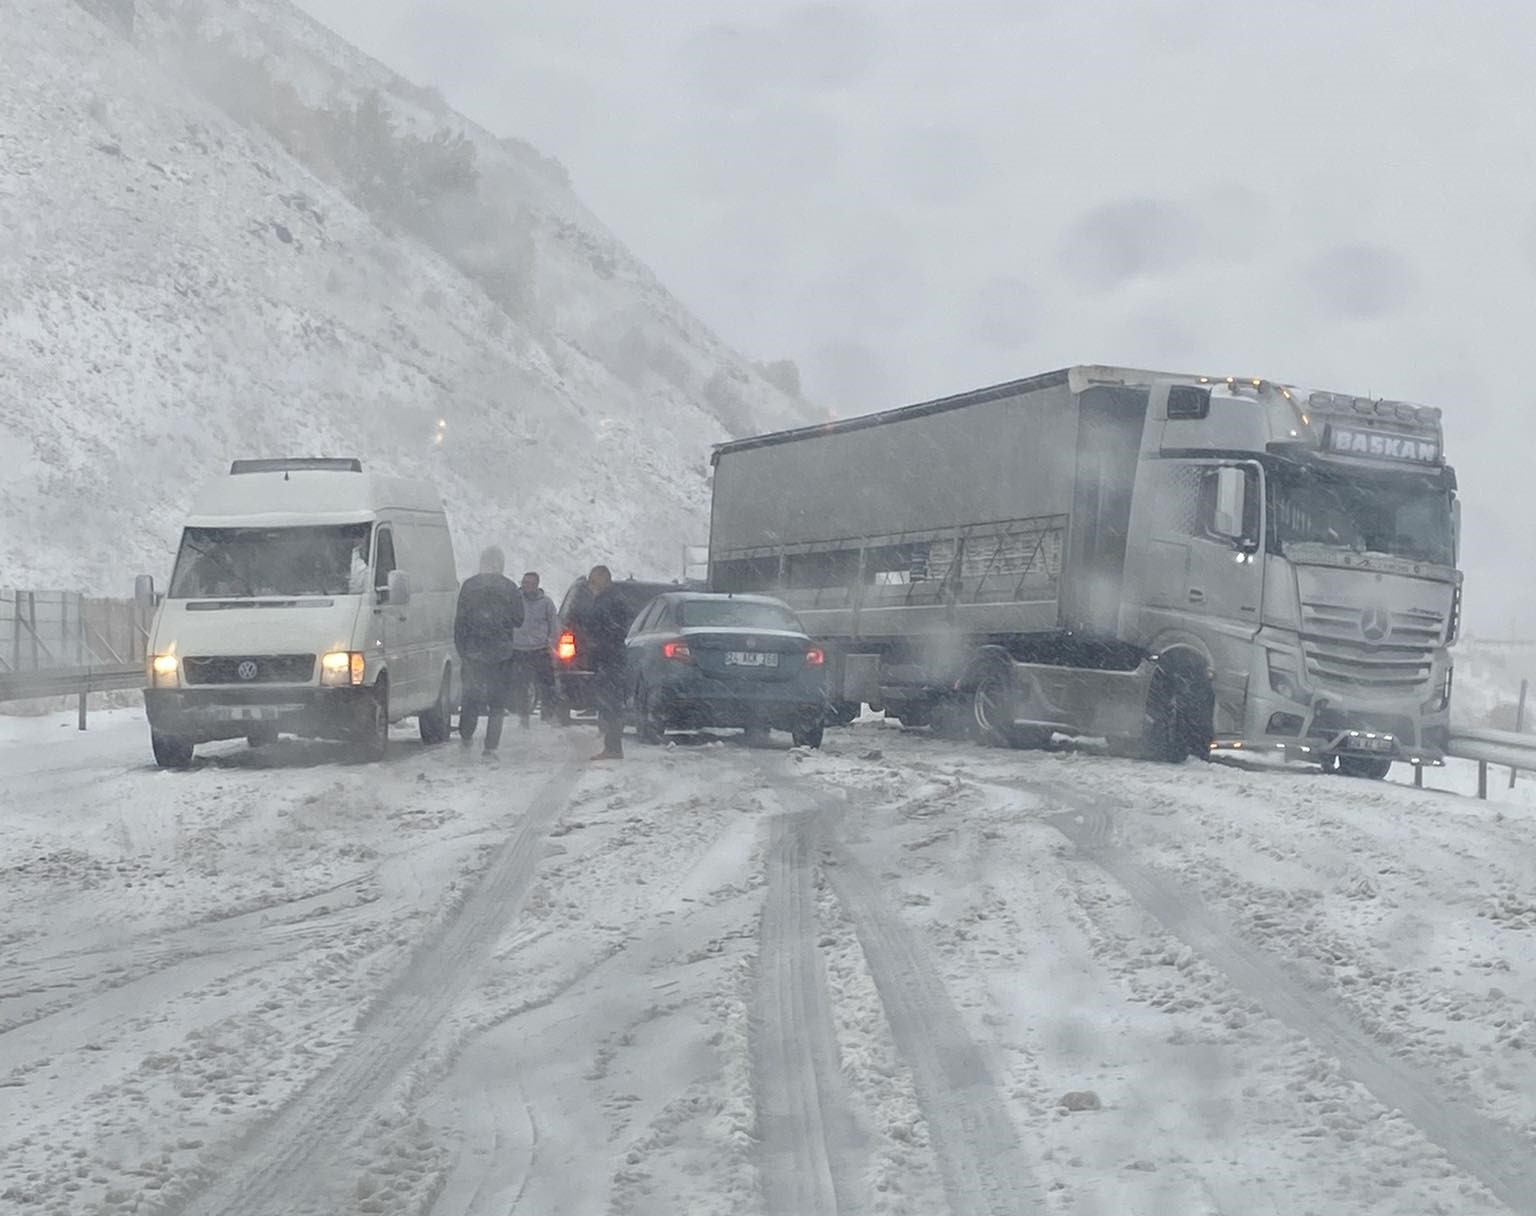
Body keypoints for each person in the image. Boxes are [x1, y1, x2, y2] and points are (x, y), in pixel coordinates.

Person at [453, 546, 524, 756]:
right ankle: (491, 746)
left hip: (473, 652)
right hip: (500, 654)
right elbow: (519, 620)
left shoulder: (469, 586)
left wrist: (463, 650)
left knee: (470, 697)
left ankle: (466, 735)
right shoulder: (510, 588)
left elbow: (460, 622)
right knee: (497, 702)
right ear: (500, 564)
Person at [582, 564, 630, 760]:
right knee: (609, 703)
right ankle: (611, 745)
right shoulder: (608, 599)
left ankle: (613, 747)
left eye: (593, 580)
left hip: (610, 658)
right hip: (607, 657)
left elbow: (614, 629)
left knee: (611, 703)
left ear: (604, 578)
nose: (591, 584)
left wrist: (599, 642)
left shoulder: (611, 601)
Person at [511, 570, 559, 728]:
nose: (526, 587)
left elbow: (554, 626)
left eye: (530, 584)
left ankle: (548, 715)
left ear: (537, 585)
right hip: (519, 650)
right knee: (521, 686)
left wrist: (551, 644)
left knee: (547, 684)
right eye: (524, 583)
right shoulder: (514, 601)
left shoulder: (546, 603)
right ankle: (523, 717)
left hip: (540, 650)